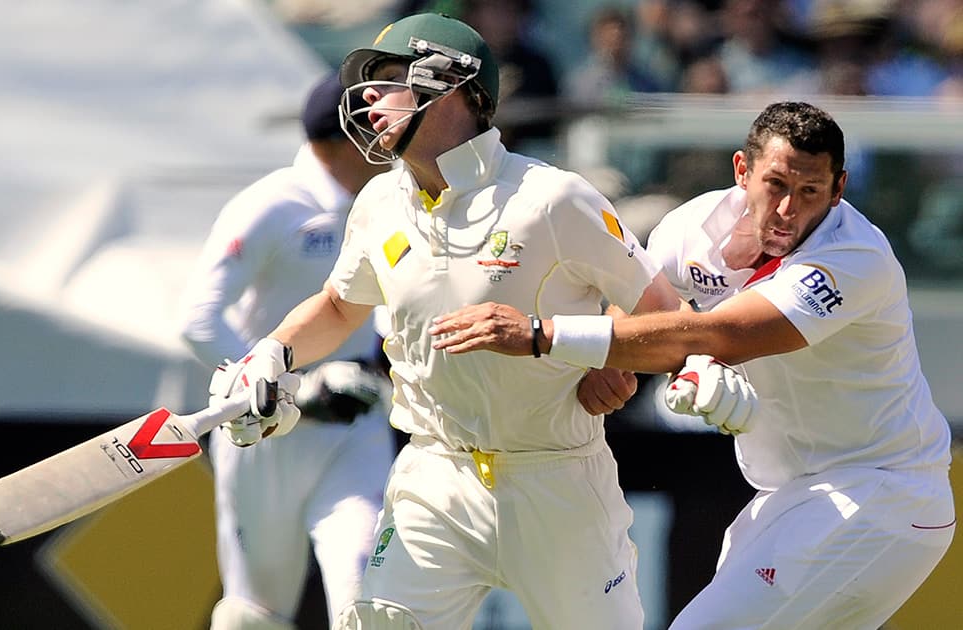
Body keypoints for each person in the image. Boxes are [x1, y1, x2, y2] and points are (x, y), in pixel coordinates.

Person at [201, 12, 751, 630]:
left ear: (455, 86)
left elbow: (659, 314)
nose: (368, 101)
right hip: (433, 475)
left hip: (556, 478)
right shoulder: (380, 201)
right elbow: (337, 306)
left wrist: (615, 361)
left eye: (388, 80)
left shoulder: (551, 198)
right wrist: (269, 353)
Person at [430, 101, 957, 629]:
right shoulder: (690, 228)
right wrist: (614, 369)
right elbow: (643, 304)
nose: (787, 210)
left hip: (878, 493)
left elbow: (726, 333)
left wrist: (543, 335)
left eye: (810, 192)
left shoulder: (855, 257)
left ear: (838, 189)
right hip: (787, 497)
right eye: (775, 185)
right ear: (742, 171)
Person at [178, 73, 395, 629]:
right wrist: (282, 387)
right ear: (345, 140)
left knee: (365, 593)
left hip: (354, 427)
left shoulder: (393, 204)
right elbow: (199, 319)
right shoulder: (275, 204)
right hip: (265, 435)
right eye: (376, 125)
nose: (392, 137)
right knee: (257, 614)